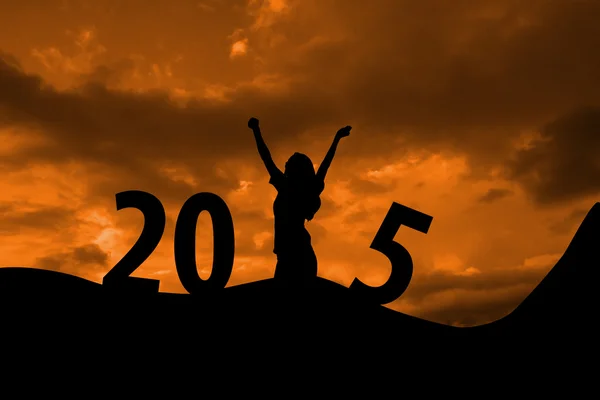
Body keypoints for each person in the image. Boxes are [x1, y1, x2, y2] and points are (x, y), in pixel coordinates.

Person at [248, 117, 351, 283]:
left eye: (290, 162)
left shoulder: (288, 187)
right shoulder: (293, 186)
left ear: (296, 169)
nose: (286, 163)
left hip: (294, 253)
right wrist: (336, 139)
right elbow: (325, 166)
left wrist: (256, 131)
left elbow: (266, 157)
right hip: (291, 253)